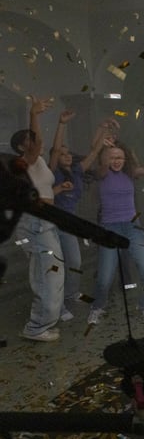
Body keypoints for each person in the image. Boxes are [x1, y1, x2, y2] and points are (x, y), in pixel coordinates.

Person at [87, 142, 144, 324]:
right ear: (105, 159)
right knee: (104, 277)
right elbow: (101, 163)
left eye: (119, 157)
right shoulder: (102, 173)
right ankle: (97, 307)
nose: (116, 161)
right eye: (112, 157)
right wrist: (104, 140)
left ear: (125, 159)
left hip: (132, 226)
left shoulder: (130, 172)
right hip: (109, 228)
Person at [49, 111, 110, 321]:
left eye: (68, 153)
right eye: (63, 154)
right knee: (59, 265)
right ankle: (59, 305)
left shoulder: (76, 170)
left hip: (71, 223)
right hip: (55, 224)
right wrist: (62, 124)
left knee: (75, 261)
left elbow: (94, 152)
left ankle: (71, 294)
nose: (66, 155)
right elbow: (56, 150)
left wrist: (102, 128)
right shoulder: (54, 172)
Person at [11, 96, 63, 342]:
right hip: (34, 223)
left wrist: (61, 124)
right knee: (46, 274)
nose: (36, 144)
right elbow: (40, 141)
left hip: (46, 221)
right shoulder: (23, 162)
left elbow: (51, 151)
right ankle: (36, 327)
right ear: (22, 147)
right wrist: (34, 115)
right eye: (29, 141)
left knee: (52, 272)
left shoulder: (39, 161)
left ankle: (44, 321)